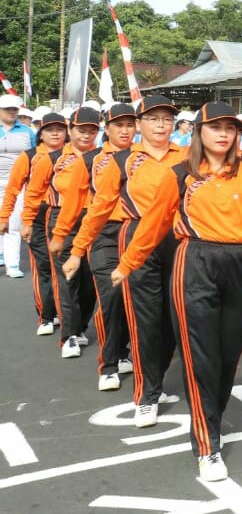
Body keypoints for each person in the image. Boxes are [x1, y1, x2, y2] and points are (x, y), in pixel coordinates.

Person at [113, 101, 242, 483]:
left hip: (241, 264)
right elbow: (153, 225)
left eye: (231, 127)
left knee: (226, 359)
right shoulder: (180, 174)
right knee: (201, 357)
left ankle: (211, 422)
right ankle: (208, 446)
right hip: (196, 262)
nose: (224, 133)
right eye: (215, 127)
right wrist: (127, 265)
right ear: (198, 132)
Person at [69, 94, 187, 427]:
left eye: (166, 119)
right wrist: (78, 249)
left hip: (179, 240)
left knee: (174, 318)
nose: (161, 125)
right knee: (146, 320)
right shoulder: (122, 161)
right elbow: (100, 208)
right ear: (140, 124)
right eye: (153, 119)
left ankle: (158, 379)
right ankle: (147, 394)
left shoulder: (190, 155)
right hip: (137, 239)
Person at [59, 103, 137, 390]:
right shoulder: (92, 160)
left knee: (136, 299)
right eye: (119, 125)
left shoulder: (143, 158)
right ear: (108, 128)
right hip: (103, 234)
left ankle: (123, 349)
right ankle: (109, 364)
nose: (125, 130)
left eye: (130, 124)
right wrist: (63, 237)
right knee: (111, 297)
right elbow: (73, 203)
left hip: (135, 233)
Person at [42, 107, 101, 359]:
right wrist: (24, 221)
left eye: (92, 131)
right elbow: (34, 191)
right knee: (68, 280)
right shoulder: (53, 158)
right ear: (70, 130)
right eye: (81, 130)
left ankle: (80, 326)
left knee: (90, 282)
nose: (86, 136)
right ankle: (68, 335)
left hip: (95, 221)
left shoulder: (104, 158)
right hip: (62, 220)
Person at [0, 112, 65, 332]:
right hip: (37, 217)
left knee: (66, 268)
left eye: (59, 129)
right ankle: (46, 315)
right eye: (49, 129)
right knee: (44, 266)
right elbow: (13, 188)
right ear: (41, 134)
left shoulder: (73, 155)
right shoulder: (29, 156)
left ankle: (65, 314)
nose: (55, 133)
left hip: (65, 217)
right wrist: (4, 217)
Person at [0, 93, 36, 278]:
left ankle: (12, 264)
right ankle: (1, 252)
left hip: (19, 183)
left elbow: (35, 155)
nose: (12, 112)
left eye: (15, 109)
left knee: (13, 223)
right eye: (8, 109)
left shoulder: (27, 131)